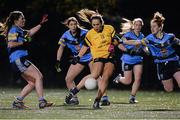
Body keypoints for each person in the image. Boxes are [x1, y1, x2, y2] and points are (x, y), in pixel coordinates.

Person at [64, 9, 118, 109]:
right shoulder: (90, 34)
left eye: (98, 24)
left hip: (110, 57)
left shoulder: (109, 28)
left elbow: (116, 40)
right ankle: (74, 91)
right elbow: (85, 46)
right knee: (95, 75)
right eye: (94, 25)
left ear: (102, 23)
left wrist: (113, 44)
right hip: (98, 57)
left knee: (105, 78)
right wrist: (78, 57)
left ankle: (97, 100)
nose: (96, 27)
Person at [55, 17, 110, 106]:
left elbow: (95, 41)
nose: (73, 26)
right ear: (68, 26)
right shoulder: (65, 35)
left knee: (97, 76)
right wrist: (58, 60)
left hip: (90, 57)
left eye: (75, 24)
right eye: (71, 25)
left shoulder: (85, 32)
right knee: (68, 79)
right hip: (78, 59)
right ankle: (74, 99)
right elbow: (61, 48)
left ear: (77, 24)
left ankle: (104, 98)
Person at [4, 11, 53, 109]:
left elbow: (30, 32)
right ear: (15, 20)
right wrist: (23, 42)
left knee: (32, 83)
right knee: (39, 76)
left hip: (18, 60)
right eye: (22, 18)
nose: (24, 20)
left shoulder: (19, 30)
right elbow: (11, 44)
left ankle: (18, 102)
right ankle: (41, 101)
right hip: (18, 59)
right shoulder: (14, 30)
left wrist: (40, 24)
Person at [122, 12, 180, 92]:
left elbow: (178, 42)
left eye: (154, 26)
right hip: (161, 65)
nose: (152, 28)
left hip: (173, 61)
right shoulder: (149, 38)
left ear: (160, 27)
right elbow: (137, 42)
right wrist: (125, 41)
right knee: (169, 89)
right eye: (151, 26)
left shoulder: (170, 37)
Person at [113, 18, 145, 103]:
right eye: (136, 25)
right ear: (133, 26)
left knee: (138, 78)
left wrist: (146, 50)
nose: (138, 27)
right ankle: (119, 78)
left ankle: (132, 97)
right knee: (128, 81)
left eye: (139, 25)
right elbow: (119, 45)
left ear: (142, 26)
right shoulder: (127, 35)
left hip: (138, 59)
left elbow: (144, 47)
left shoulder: (142, 36)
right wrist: (127, 50)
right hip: (127, 59)